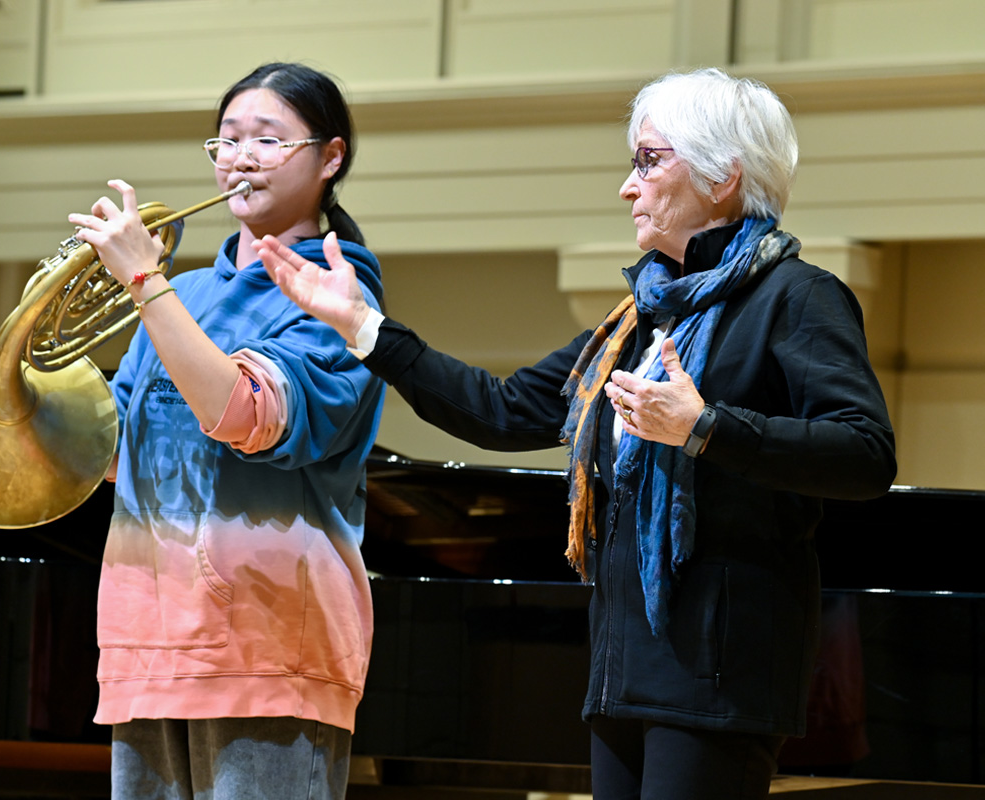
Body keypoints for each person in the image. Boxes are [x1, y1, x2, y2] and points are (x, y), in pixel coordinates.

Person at [257, 67, 896, 799]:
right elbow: (500, 410)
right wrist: (359, 325)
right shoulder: (639, 318)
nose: (629, 186)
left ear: (723, 180)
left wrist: (707, 428)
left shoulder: (797, 296)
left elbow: (864, 453)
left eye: (649, 161)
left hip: (720, 674)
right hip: (623, 668)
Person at [69, 63, 385, 800]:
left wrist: (147, 287)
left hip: (266, 648)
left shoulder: (342, 296)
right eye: (228, 140)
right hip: (147, 640)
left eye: (268, 140)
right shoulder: (185, 295)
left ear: (329, 157)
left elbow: (244, 416)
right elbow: (114, 453)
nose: (240, 157)